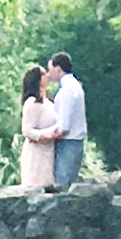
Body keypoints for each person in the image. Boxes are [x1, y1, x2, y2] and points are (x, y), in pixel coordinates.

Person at [44, 50, 86, 189]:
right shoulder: (72, 87)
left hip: (68, 143)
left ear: (58, 68)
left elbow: (63, 125)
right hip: (71, 142)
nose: (49, 74)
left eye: (50, 70)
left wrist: (43, 135)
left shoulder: (69, 90)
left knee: (62, 185)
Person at [18, 63, 62, 191]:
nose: (47, 76)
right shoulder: (32, 102)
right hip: (36, 152)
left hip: (49, 151)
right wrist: (44, 136)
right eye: (43, 74)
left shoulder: (49, 102)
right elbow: (27, 130)